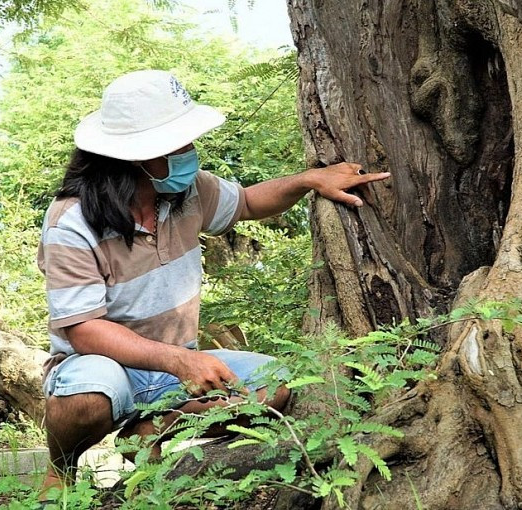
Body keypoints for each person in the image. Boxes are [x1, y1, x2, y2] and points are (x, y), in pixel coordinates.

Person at [37, 69, 390, 494]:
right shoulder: (72, 221)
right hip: (104, 366)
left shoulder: (189, 193)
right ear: (136, 155)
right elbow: (84, 330)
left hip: (172, 371)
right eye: (179, 144)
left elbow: (247, 202)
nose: (190, 152)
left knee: (278, 385)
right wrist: (180, 361)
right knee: (89, 397)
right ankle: (61, 468)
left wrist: (309, 179)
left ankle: (154, 426)